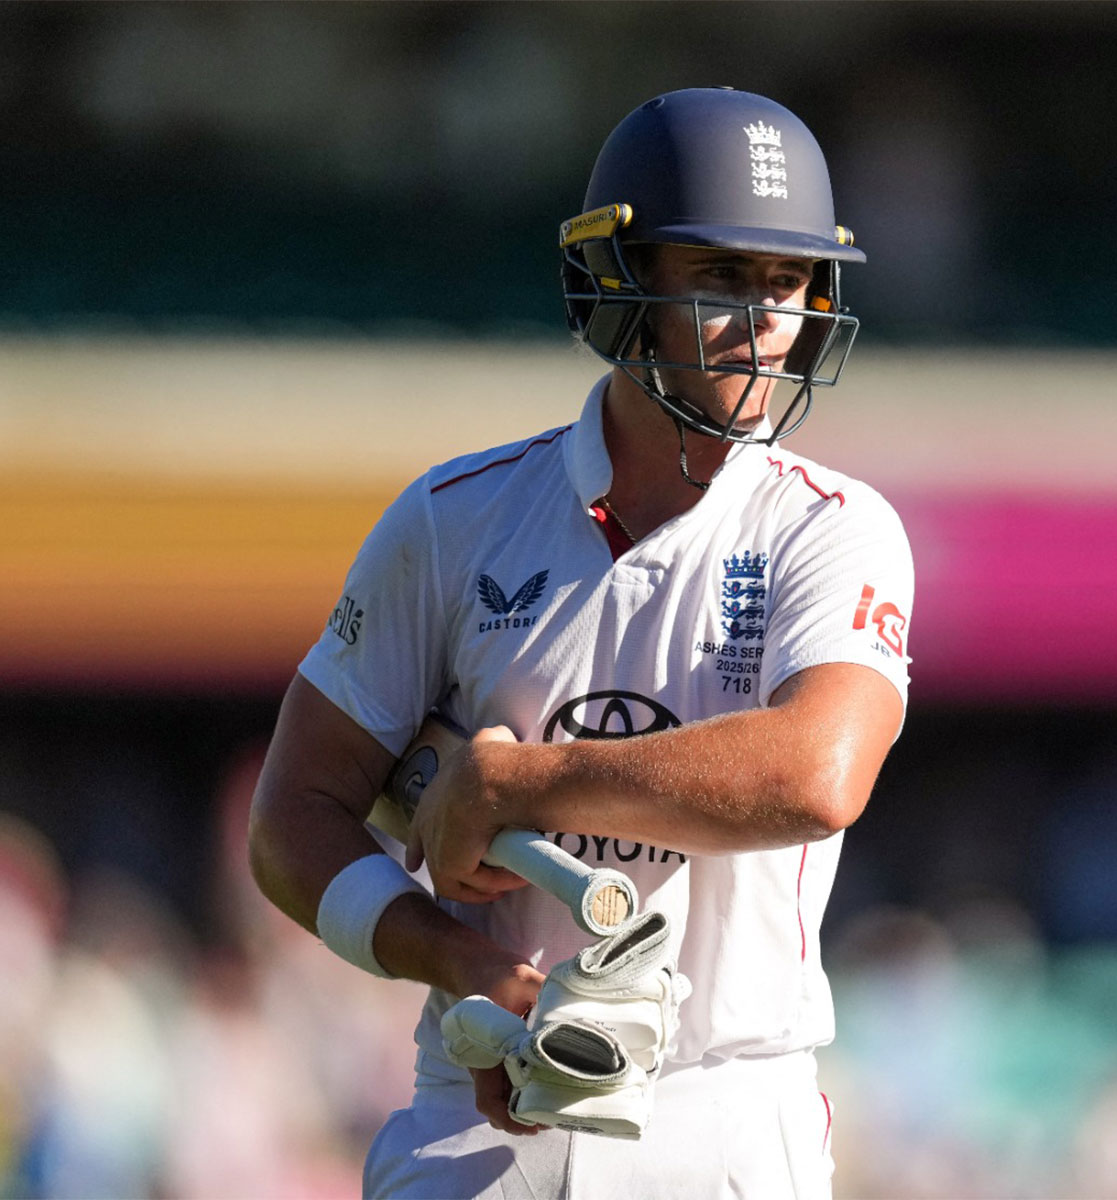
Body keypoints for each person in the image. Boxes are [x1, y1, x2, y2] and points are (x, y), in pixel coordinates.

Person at [249, 86, 914, 1199]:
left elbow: (817, 774)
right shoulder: (450, 519)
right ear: (620, 285)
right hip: (481, 1104)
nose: (762, 320)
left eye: (787, 283)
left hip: (728, 1111)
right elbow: (291, 819)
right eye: (718, 278)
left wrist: (520, 783)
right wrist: (449, 953)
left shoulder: (835, 528)